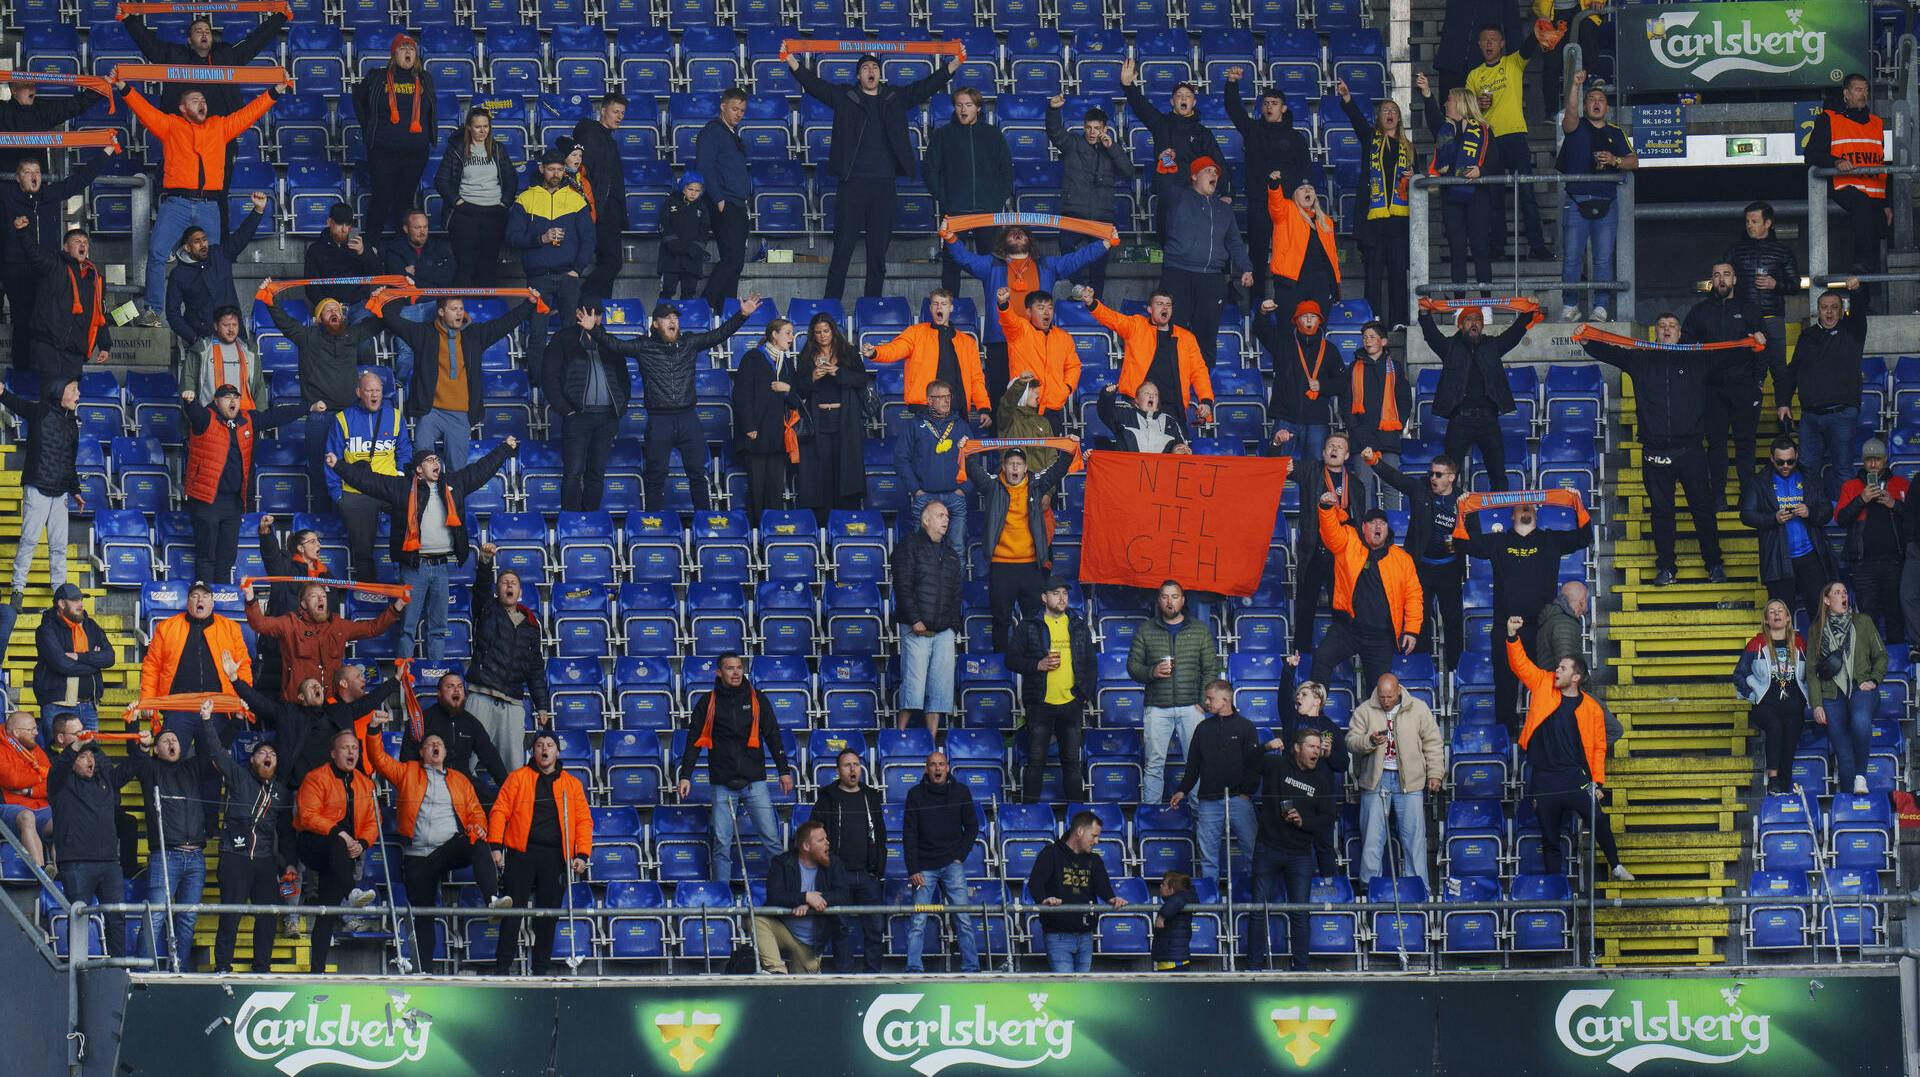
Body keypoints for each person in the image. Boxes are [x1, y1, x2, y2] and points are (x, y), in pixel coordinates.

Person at [116, 61, 284, 325]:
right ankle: (154, 310)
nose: (201, 103)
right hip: (177, 203)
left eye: (203, 99)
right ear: (183, 108)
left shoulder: (220, 126)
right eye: (195, 100)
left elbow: (248, 114)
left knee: (214, 260)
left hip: (208, 206)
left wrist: (274, 92)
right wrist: (124, 88)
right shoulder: (170, 125)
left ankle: (216, 314)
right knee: (158, 253)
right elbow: (144, 111)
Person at [1579, 313, 1738, 585]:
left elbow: (1727, 353)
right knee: (1661, 512)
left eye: (1672, 326)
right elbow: (1612, 352)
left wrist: (1752, 342)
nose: (1667, 330)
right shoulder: (1641, 359)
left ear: (1680, 333)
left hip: (1691, 450)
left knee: (1702, 509)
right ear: (1655, 333)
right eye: (1662, 327)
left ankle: (1714, 564)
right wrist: (1586, 340)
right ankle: (1666, 568)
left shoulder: (1696, 359)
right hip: (1654, 450)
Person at [790, 50, 958, 300]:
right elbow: (815, 86)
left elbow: (925, 87)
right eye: (866, 67)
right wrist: (792, 62)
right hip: (852, 185)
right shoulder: (846, 96)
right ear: (859, 75)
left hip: (884, 187)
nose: (871, 71)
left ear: (880, 74)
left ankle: (872, 308)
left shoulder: (894, 97)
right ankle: (831, 307)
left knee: (877, 256)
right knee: (842, 252)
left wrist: (953, 65)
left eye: (875, 68)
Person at [329, 438, 516, 661]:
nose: (435, 462)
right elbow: (370, 481)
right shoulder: (402, 488)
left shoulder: (453, 484)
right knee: (407, 627)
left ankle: (435, 676)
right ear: (419, 469)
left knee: (438, 628)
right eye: (429, 460)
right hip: (414, 567)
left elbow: (481, 470)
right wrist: (339, 465)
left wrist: (504, 448)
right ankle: (405, 678)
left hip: (441, 567)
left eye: (437, 459)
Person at [364, 710, 507, 967]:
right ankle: (424, 971)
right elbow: (378, 760)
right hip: (418, 856)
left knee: (477, 841)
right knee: (423, 915)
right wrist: (374, 730)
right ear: (421, 753)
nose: (435, 746)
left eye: (439, 744)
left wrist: (479, 826)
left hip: (447, 848)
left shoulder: (460, 780)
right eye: (429, 744)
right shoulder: (407, 772)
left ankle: (493, 900)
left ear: (445, 753)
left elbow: (476, 812)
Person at [598, 296, 759, 512]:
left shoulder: (689, 342)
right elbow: (615, 345)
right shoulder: (643, 346)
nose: (672, 321)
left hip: (688, 418)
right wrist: (593, 330)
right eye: (666, 318)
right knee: (655, 475)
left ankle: (703, 520)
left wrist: (742, 315)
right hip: (659, 420)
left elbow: (719, 334)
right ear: (655, 324)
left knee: (697, 474)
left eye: (675, 317)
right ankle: (654, 524)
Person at [1506, 616, 1631, 882]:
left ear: (1576, 677)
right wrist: (1513, 638)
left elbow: (1598, 748)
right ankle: (1555, 889)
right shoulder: (1543, 684)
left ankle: (1616, 865)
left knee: (1600, 821)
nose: (1557, 671)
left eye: (1563, 668)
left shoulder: (1591, 708)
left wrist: (1597, 781)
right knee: (1549, 838)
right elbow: (1521, 666)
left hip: (1576, 778)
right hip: (1545, 778)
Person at [1456, 495, 1595, 731]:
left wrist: (1577, 504)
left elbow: (1584, 537)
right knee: (1505, 687)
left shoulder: (1550, 539)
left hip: (1541, 628)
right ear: (1512, 515)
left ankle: (1544, 735)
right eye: (1520, 508)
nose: (1525, 511)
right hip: (1505, 627)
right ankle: (1505, 739)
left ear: (1536, 512)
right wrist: (1468, 510)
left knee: (1545, 686)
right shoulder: (1499, 542)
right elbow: (1465, 543)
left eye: (1529, 507)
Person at [259, 285, 385, 511]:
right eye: (327, 310)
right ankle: (323, 520)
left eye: (336, 309)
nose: (334, 312)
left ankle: (346, 518)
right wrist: (271, 296)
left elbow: (378, 322)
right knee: (320, 471)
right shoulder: (308, 337)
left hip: (350, 416)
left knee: (353, 470)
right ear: (318, 319)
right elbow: (284, 323)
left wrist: (382, 299)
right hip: (321, 417)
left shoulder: (351, 335)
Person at [948, 225, 1107, 402]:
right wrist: (950, 237)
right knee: (1001, 398)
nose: (1017, 234)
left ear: (1030, 241)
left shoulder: (1047, 265)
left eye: (1022, 233)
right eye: (1012, 233)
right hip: (1001, 341)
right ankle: (1000, 431)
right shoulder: (991, 264)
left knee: (1035, 396)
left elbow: (1078, 258)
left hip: (1036, 342)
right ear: (1002, 242)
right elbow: (964, 258)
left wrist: (1105, 244)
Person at [676, 653, 794, 883]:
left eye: (739, 667)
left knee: (772, 839)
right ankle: (722, 897)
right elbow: (693, 740)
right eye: (730, 668)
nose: (736, 672)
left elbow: (772, 736)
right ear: (719, 673)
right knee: (721, 844)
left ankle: (785, 890)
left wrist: (783, 770)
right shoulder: (707, 702)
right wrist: (685, 775)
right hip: (722, 784)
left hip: (755, 783)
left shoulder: (757, 699)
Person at [182, 385, 317, 584]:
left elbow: (276, 416)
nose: (232, 401)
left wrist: (308, 408)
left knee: (226, 559)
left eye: (235, 397)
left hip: (233, 503)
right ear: (216, 401)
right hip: (206, 500)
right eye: (227, 397)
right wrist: (190, 401)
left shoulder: (247, 420)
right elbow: (194, 414)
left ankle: (222, 603)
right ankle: (206, 604)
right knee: (206, 556)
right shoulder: (206, 418)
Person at [190, 700, 287, 973]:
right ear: (252, 760)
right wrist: (207, 721)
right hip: (235, 855)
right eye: (262, 753)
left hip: (266, 860)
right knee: (231, 914)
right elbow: (217, 754)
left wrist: (285, 861)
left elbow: (287, 831)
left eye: (273, 754)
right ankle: (223, 966)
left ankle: (262, 968)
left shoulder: (281, 791)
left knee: (267, 917)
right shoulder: (238, 776)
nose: (268, 756)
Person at [382, 295, 533, 471]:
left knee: (458, 473)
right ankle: (423, 498)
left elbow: (506, 322)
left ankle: (454, 499)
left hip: (461, 414)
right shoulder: (423, 333)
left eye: (461, 308)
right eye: (453, 309)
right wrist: (399, 293)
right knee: (422, 465)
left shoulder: (474, 334)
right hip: (431, 412)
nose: (459, 313)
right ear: (441, 312)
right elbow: (391, 318)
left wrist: (529, 303)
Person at [487, 730, 592, 974]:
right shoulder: (517, 778)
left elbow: (583, 821)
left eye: (549, 745)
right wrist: (495, 845)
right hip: (521, 853)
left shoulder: (572, 784)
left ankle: (541, 970)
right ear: (532, 751)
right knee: (513, 912)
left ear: (557, 751)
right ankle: (502, 969)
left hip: (556, 857)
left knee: (549, 915)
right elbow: (500, 811)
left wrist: (582, 854)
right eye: (539, 745)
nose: (544, 749)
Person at [1418, 302, 1542, 491]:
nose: (1474, 323)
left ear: (1483, 326)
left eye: (1478, 320)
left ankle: (1498, 515)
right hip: (1459, 419)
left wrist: (1528, 312)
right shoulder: (1449, 347)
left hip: (1488, 419)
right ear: (1460, 325)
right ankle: (1442, 516)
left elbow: (1514, 335)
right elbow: (1431, 335)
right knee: (1448, 475)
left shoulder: (1492, 345)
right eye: (1468, 320)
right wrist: (1425, 314)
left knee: (1498, 475)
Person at [2, 153, 109, 369]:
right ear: (17, 178)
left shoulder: (50, 194)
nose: (34, 176)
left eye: (37, 172)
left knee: (48, 320)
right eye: (27, 172)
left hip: (49, 270)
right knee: (22, 320)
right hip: (17, 268)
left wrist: (104, 153)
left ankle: (47, 373)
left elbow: (80, 179)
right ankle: (22, 371)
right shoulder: (6, 195)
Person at [968, 441, 1075, 653]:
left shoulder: (1036, 484)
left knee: (1034, 620)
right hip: (1002, 566)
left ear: (1026, 468)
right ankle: (1003, 667)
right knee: (1001, 620)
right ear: (1004, 467)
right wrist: (964, 449)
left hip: (1030, 567)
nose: (1015, 468)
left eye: (1019, 464)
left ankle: (1034, 662)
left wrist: (1070, 449)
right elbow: (972, 468)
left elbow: (1057, 471)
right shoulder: (992, 486)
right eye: (1011, 464)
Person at [228, 657, 401, 788]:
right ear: (301, 697)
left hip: (337, 786)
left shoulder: (339, 711)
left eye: (318, 686)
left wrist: (396, 680)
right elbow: (259, 702)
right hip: (300, 788)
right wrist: (235, 679)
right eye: (311, 687)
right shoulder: (288, 713)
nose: (317, 688)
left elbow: (369, 701)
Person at [1312, 496, 1423, 697]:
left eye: (1382, 523)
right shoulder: (1348, 542)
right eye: (1372, 523)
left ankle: (1376, 729)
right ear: (1363, 528)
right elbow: (1330, 534)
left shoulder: (1402, 559)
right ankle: (1314, 716)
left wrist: (1412, 630)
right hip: (1348, 629)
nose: (1377, 526)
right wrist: (1327, 508)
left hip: (1381, 637)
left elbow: (1414, 595)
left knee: (1379, 691)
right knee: (1321, 657)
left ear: (1388, 529)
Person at [1365, 453, 1467, 669]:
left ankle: (1454, 671)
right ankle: (1422, 667)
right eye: (1431, 473)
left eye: (1438, 474)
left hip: (1449, 569)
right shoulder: (1420, 489)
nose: (1433, 478)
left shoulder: (1463, 500)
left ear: (1452, 477)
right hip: (1421, 567)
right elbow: (1396, 479)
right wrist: (1374, 461)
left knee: (1453, 622)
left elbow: (1473, 534)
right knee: (1419, 620)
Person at [1129, 580, 1223, 806]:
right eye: (1164, 597)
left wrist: (1202, 701)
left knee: (1196, 763)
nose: (1169, 601)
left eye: (1174, 596)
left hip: (1192, 707)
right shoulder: (1146, 629)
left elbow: (1211, 668)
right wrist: (1152, 671)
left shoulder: (1200, 630)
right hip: (1157, 708)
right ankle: (1150, 816)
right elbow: (1133, 666)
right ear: (1159, 601)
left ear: (1183, 599)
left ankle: (1197, 815)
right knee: (1153, 764)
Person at [129, 714, 212, 970]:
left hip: (196, 856)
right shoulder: (150, 769)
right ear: (156, 748)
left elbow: (212, 749)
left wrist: (208, 720)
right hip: (166, 855)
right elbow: (135, 755)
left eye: (174, 739)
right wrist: (131, 724)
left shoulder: (192, 768)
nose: (171, 743)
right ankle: (145, 972)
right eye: (165, 740)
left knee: (188, 919)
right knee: (155, 916)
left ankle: (180, 970)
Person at [1223, 68, 1313, 303]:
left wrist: (1282, 179)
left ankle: (1291, 304)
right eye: (1265, 103)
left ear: (1283, 108)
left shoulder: (1296, 138)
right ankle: (1256, 307)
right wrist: (1231, 83)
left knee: (1289, 255)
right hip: (1259, 203)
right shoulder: (1253, 131)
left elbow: (1305, 173)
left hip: (1286, 205)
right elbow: (1235, 111)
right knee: (1258, 255)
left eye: (1274, 103)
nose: (1269, 107)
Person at [1248, 726, 1335, 971]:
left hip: (1300, 854)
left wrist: (1303, 822)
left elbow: (1328, 818)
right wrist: (1266, 746)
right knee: (1258, 908)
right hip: (1268, 847)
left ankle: (1301, 968)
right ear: (1297, 748)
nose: (1316, 752)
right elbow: (1247, 761)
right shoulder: (1276, 765)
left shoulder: (1321, 780)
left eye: (1318, 747)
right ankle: (1254, 966)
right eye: (1311, 746)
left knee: (1299, 912)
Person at [294, 728, 379, 972]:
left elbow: (374, 821)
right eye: (345, 747)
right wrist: (339, 833)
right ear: (333, 753)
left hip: (342, 855)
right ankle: (351, 892)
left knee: (327, 911)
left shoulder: (365, 784)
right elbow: (307, 815)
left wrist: (362, 843)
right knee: (337, 841)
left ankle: (317, 971)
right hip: (314, 844)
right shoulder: (315, 778)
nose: (351, 751)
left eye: (355, 747)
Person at [1345, 674, 1442, 885]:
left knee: (1414, 840)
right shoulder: (1365, 710)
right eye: (1382, 696)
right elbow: (1351, 742)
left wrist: (1435, 773)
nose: (1386, 701)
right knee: (1372, 840)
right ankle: (1370, 890)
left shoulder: (1418, 708)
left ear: (1398, 691)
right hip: (1374, 780)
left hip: (1410, 781)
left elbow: (1433, 742)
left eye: (1389, 696)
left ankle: (1418, 890)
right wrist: (1368, 741)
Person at [509, 147, 596, 383]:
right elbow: (512, 237)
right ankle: (537, 384)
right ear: (541, 169)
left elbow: (589, 239)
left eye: (560, 169)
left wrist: (577, 269)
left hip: (568, 276)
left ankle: (570, 381)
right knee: (537, 334)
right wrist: (541, 238)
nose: (556, 174)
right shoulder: (525, 198)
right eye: (551, 169)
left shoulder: (576, 199)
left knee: (571, 332)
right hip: (538, 277)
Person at [1686, 263, 1769, 506]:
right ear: (1712, 280)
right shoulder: (1699, 312)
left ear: (1735, 279)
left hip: (1744, 387)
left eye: (1726, 275)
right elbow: (1687, 348)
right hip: (1712, 389)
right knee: (1716, 444)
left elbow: (1763, 347)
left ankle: (1748, 496)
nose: (1721, 279)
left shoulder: (1750, 309)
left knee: (1746, 444)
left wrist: (1759, 381)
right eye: (1716, 275)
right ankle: (1718, 495)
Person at [48, 732, 137, 958]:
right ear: (72, 760)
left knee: (116, 917)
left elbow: (129, 770)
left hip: (109, 862)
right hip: (76, 863)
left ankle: (119, 968)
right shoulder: (60, 783)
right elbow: (59, 767)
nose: (90, 761)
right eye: (83, 757)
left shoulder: (105, 780)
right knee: (79, 917)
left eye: (92, 757)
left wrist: (142, 749)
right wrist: (76, 746)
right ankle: (77, 969)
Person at [1007, 577, 1095, 803]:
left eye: (1065, 593)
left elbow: (1090, 662)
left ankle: (1076, 817)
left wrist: (1083, 695)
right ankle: (1030, 817)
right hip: (1040, 703)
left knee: (1072, 764)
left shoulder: (1078, 624)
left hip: (1072, 703)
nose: (1062, 598)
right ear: (1044, 598)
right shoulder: (1028, 625)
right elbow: (1011, 659)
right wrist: (1037, 665)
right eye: (1056, 593)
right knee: (1036, 762)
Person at [1779, 278, 1868, 503]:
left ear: (1842, 310)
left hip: (1842, 414)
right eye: (1824, 307)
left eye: (1834, 308)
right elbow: (1792, 372)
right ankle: (1813, 521)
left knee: (1843, 470)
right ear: (1818, 310)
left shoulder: (1852, 331)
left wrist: (1856, 291)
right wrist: (1783, 401)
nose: (1829, 312)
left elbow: (1859, 311)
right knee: (1807, 471)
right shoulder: (1806, 337)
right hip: (1810, 417)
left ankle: (1846, 525)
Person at [1465, 23, 1549, 261]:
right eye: (1485, 40)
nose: (1489, 43)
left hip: (1514, 135)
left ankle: (1537, 245)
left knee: (1527, 192)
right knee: (1494, 196)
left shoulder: (1512, 63)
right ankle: (1497, 248)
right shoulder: (1474, 75)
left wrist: (1536, 30)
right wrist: (1476, 107)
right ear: (1479, 45)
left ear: (1502, 43)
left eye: (1494, 39)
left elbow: (1528, 47)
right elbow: (1465, 112)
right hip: (1488, 140)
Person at [1555, 72, 1634, 321]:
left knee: (1603, 258)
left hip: (1607, 202)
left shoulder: (1616, 132)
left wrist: (1615, 159)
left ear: (1606, 107)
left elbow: (1635, 161)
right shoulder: (1576, 127)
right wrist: (1576, 86)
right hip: (1577, 200)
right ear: (1585, 105)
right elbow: (1569, 115)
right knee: (1572, 257)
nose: (1596, 103)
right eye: (1592, 100)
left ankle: (1601, 306)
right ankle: (1570, 306)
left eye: (1600, 99)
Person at [1159, 158, 1254, 364]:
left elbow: (1235, 243)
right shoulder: (1179, 197)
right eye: (1207, 171)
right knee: (1174, 334)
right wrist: (1166, 160)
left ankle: (1205, 394)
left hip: (1212, 279)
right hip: (1178, 274)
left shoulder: (1224, 209)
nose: (1214, 175)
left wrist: (1246, 268)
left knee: (1207, 338)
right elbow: (1164, 186)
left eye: (1216, 172)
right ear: (1194, 176)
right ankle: (1174, 391)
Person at [1080, 287, 1213, 432]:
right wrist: (1092, 304)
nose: (1165, 308)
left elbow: (1199, 371)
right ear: (1150, 309)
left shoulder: (1186, 338)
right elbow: (1113, 319)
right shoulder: (1136, 326)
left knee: (1177, 452)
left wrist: (1205, 400)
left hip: (1173, 409)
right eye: (1159, 304)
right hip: (1139, 405)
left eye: (1168, 305)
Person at [1335, 79, 1413, 327]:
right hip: (1373, 219)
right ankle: (1373, 318)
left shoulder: (1408, 148)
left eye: (1394, 111)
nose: (1389, 114)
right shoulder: (1372, 140)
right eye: (1385, 111)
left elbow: (1419, 180)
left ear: (1399, 119)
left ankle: (1399, 319)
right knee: (1373, 273)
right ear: (1379, 118)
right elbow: (1358, 122)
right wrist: (1348, 98)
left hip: (1399, 220)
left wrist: (1413, 177)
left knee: (1398, 273)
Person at [1121, 60, 1231, 235]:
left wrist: (1225, 192)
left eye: (1188, 96)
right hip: (1168, 194)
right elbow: (1142, 107)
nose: (1183, 99)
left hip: (1194, 195)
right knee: (1167, 241)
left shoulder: (1203, 133)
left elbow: (1218, 162)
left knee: (1193, 241)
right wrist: (1128, 86)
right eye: (1179, 95)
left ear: (1194, 102)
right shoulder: (1161, 124)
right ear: (1172, 101)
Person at [466, 544, 553, 764]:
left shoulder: (531, 626)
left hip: (513, 703)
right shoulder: (487, 608)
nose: (509, 586)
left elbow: (535, 670)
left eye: (513, 583)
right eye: (504, 583)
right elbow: (481, 589)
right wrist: (485, 562)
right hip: (481, 696)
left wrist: (541, 705)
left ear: (520, 592)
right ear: (498, 590)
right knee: (465, 764)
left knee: (514, 769)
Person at [1168, 680, 1262, 881]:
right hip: (1208, 800)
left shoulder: (1246, 727)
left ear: (1225, 699)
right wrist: (1182, 790)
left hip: (1239, 799)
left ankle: (1254, 905)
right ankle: (1209, 908)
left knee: (1252, 853)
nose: (1207, 702)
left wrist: (1247, 792)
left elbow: (1255, 764)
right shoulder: (1202, 728)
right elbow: (1193, 764)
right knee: (1208, 859)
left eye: (1211, 698)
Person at [246, 580, 401, 699]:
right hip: (297, 703)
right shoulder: (289, 623)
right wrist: (250, 599)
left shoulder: (338, 625)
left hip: (330, 703)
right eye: (314, 596)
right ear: (303, 604)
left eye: (323, 596)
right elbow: (259, 624)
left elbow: (373, 628)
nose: (321, 599)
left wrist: (398, 606)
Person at [926, 86, 1015, 293]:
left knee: (992, 267)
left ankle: (996, 315)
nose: (963, 110)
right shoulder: (943, 135)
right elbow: (930, 169)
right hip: (956, 212)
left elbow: (1006, 172)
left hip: (987, 212)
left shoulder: (993, 135)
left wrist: (996, 200)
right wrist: (945, 198)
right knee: (951, 265)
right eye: (959, 105)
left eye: (968, 105)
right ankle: (951, 314)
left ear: (978, 108)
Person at [324, 371, 411, 582]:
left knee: (415, 514)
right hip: (356, 490)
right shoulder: (343, 419)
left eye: (378, 390)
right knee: (363, 549)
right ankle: (367, 592)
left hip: (389, 485)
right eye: (370, 390)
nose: (375, 395)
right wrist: (338, 496)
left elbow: (405, 450)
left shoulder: (396, 416)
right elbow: (330, 459)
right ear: (358, 392)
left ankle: (409, 580)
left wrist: (400, 476)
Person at [545, 307, 633, 513]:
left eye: (599, 313)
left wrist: (621, 406)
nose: (596, 318)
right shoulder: (563, 339)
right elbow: (549, 379)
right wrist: (566, 411)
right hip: (577, 417)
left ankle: (591, 520)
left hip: (607, 418)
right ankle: (571, 523)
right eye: (591, 312)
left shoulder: (609, 340)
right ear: (578, 313)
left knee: (596, 473)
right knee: (573, 472)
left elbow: (624, 379)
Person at [1044, 96, 1136, 293]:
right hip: (1074, 211)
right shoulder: (1072, 143)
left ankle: (1096, 300)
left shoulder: (1111, 148)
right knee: (1066, 247)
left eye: (1097, 128)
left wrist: (1112, 148)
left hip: (1101, 215)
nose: (1092, 132)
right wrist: (1052, 110)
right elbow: (1054, 132)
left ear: (1105, 129)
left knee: (1099, 263)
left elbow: (1129, 171)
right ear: (1083, 127)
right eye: (1089, 127)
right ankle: (1078, 286)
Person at [351, 32, 435, 248]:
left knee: (405, 201)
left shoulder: (424, 78)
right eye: (402, 48)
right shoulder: (377, 77)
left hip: (415, 153)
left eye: (411, 49)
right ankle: (369, 250)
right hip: (383, 152)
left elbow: (430, 111)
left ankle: (402, 253)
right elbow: (357, 99)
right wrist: (368, 125)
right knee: (381, 198)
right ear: (393, 54)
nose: (408, 52)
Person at [1, 378, 81, 601]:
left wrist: (75, 489)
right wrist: (2, 393)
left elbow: (70, 462)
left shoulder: (73, 424)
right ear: (59, 391)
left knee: (59, 546)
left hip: (61, 493)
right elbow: (18, 404)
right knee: (29, 540)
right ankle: (18, 588)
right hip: (37, 488)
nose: (78, 394)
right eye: (73, 389)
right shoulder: (41, 412)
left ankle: (60, 594)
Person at [866, 288, 994, 428]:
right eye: (935, 303)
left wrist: (983, 407)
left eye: (943, 304)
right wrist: (875, 352)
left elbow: (976, 379)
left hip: (957, 410)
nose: (939, 307)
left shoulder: (968, 343)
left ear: (951, 308)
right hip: (925, 409)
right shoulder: (916, 333)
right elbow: (895, 349)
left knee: (958, 450)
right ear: (930, 308)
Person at [1805, 74, 1889, 280]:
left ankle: (1865, 298)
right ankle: (1861, 265)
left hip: (1875, 193)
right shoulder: (1829, 120)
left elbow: (1881, 163)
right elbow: (1811, 155)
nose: (1864, 94)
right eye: (1858, 90)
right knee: (1863, 256)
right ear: (1846, 93)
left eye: (1866, 90)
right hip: (1845, 186)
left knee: (1877, 241)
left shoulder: (1877, 123)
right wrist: (1835, 161)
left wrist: (1887, 201)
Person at [902, 751, 980, 973]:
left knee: (963, 918)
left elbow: (972, 827)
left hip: (952, 864)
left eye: (941, 764)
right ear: (926, 769)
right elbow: (909, 834)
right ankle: (914, 968)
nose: (937, 769)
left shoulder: (961, 791)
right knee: (918, 921)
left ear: (948, 767)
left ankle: (971, 968)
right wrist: (913, 868)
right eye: (933, 765)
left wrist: (960, 856)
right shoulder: (914, 794)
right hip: (924, 866)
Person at [1416, 75, 1497, 289]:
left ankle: (1486, 305)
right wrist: (1426, 93)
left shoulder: (1484, 129)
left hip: (1477, 196)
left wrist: (1482, 170)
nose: (1446, 103)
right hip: (1451, 196)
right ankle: (1459, 305)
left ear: (1460, 103)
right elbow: (1433, 117)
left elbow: (1496, 161)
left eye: (1449, 100)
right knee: (1457, 250)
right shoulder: (1445, 129)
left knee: (1480, 248)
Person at [810, 749, 887, 973]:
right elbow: (813, 835)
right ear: (838, 770)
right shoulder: (827, 797)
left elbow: (881, 835)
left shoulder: (871, 796)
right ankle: (846, 977)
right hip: (838, 875)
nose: (853, 769)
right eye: (847, 765)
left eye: (856, 764)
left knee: (875, 928)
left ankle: (873, 976)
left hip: (867, 874)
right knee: (840, 928)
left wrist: (878, 868)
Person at [1740, 436, 1833, 617]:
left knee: (1820, 615)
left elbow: (1827, 510)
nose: (1785, 466)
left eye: (1790, 461)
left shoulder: (1810, 477)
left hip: (1810, 555)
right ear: (1771, 458)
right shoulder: (1759, 482)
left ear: (1797, 456)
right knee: (1781, 616)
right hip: (1778, 558)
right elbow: (1746, 515)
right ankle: (1784, 646)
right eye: (1780, 462)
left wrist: (1810, 512)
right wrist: (1773, 518)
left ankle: (1820, 646)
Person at [893, 501, 964, 736]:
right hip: (916, 630)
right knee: (913, 688)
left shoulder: (951, 553)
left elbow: (956, 595)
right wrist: (914, 620)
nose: (946, 520)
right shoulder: (909, 545)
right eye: (940, 515)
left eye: (947, 516)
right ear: (926, 520)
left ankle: (930, 743)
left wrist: (953, 627)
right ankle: (900, 737)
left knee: (940, 691)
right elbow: (902, 586)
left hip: (944, 632)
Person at [1810, 581, 1886, 797]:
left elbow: (1881, 656)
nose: (1843, 595)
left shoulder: (1863, 622)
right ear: (1827, 600)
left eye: (1845, 592)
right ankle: (1848, 805)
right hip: (1831, 694)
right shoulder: (1816, 629)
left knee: (1860, 720)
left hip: (1861, 687)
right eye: (1837, 592)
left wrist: (1874, 679)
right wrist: (1816, 704)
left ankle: (1861, 776)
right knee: (1843, 753)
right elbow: (1811, 672)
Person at [1028, 809, 1127, 973]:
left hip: (1086, 935)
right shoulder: (1050, 853)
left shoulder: (1095, 860)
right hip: (1058, 935)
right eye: (1094, 836)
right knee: (1066, 988)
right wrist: (1044, 899)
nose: (1097, 841)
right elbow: (1035, 884)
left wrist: (1112, 899)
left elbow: (1103, 888)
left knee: (1082, 988)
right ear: (1080, 831)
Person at [166, 192, 266, 350]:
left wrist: (258, 211)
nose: (203, 245)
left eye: (204, 240)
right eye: (197, 242)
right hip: (203, 342)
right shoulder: (178, 274)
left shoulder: (220, 254)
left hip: (236, 338)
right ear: (186, 247)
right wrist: (194, 339)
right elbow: (173, 313)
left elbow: (241, 236)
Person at [794, 314, 870, 522]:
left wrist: (838, 372)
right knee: (821, 471)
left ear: (833, 331)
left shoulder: (848, 352)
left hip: (845, 420)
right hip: (817, 421)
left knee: (845, 470)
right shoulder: (806, 356)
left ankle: (846, 521)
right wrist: (812, 377)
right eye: (818, 332)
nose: (822, 336)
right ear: (813, 334)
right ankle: (822, 524)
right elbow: (798, 388)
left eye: (826, 331)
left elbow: (862, 379)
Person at [10, 223, 109, 383]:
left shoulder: (95, 278)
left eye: (85, 242)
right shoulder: (54, 265)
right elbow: (34, 255)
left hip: (76, 347)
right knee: (52, 392)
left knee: (70, 397)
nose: (82, 244)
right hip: (49, 343)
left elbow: (99, 312)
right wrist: (23, 232)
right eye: (77, 241)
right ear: (66, 247)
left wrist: (104, 344)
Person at [1725, 200, 1799, 411]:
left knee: (1778, 368)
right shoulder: (1735, 251)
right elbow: (1723, 281)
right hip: (1743, 319)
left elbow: (1795, 285)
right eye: (1747, 221)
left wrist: (1776, 284)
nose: (1749, 225)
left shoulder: (1782, 251)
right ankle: (1744, 412)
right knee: (1743, 368)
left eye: (1754, 221)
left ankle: (1783, 411)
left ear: (1768, 223)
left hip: (1772, 316)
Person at [434, 108, 519, 287]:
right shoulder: (457, 149)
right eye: (478, 126)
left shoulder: (497, 148)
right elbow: (441, 180)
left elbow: (511, 179)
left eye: (486, 126)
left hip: (494, 213)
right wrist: (459, 203)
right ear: (469, 128)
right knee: (465, 265)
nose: (483, 131)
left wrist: (504, 204)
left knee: (488, 266)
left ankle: (487, 312)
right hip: (465, 213)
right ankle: (460, 312)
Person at [1292, 433, 1361, 652]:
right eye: (1330, 445)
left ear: (1347, 455)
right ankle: (1299, 657)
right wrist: (1276, 444)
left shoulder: (1356, 485)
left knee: (1341, 609)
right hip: (1314, 551)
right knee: (1305, 608)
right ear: (1323, 452)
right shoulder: (1311, 472)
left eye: (1339, 447)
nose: (1334, 449)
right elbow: (1280, 466)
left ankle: (1342, 655)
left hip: (1340, 555)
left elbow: (1358, 521)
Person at [754, 819, 849, 975]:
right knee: (756, 919)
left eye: (826, 838)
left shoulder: (834, 863)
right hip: (784, 930)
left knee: (803, 990)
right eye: (821, 840)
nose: (827, 843)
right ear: (806, 846)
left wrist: (811, 903)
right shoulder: (782, 863)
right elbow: (774, 896)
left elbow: (843, 894)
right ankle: (777, 971)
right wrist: (805, 897)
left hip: (811, 944)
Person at [1837, 440, 1909, 643]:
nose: (1874, 464)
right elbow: (1841, 519)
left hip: (1894, 562)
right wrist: (1862, 499)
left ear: (1886, 460)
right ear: (1863, 462)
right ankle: (1868, 666)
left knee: (1895, 613)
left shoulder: (1901, 484)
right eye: (1869, 460)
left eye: (1877, 459)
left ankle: (1897, 658)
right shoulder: (1851, 487)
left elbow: (1914, 518)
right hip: (1863, 564)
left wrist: (1894, 504)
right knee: (1867, 617)